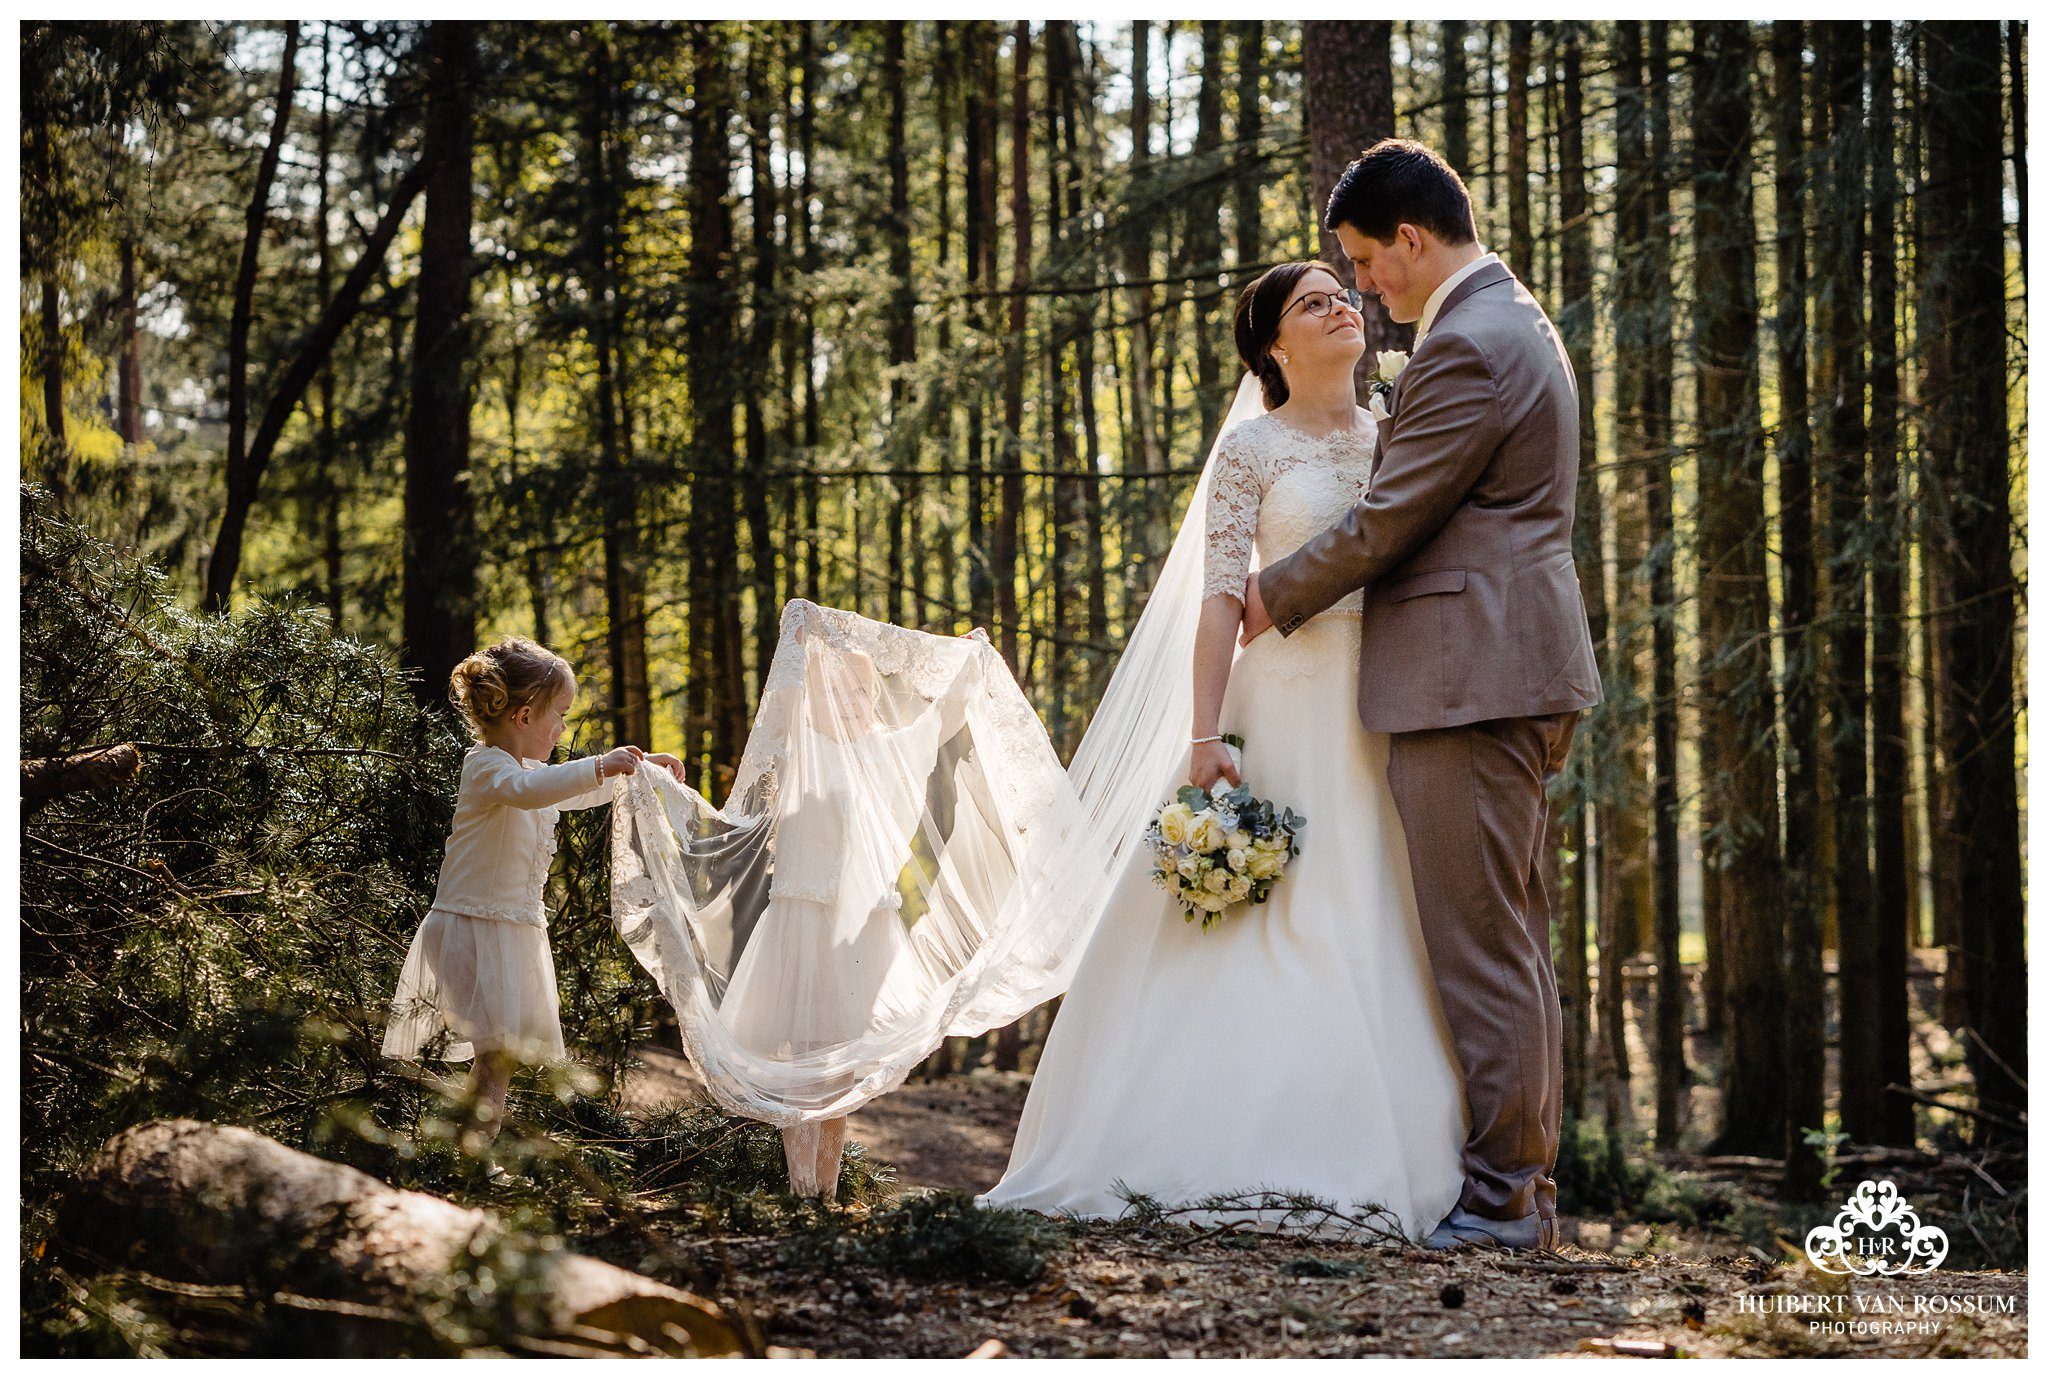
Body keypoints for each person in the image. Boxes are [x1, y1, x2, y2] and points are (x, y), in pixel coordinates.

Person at [979, 258, 1468, 1242]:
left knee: (1378, 914)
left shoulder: (1399, 434)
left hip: (1388, 708)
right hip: (1282, 706)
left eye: (1343, 293)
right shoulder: (1249, 451)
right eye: (1312, 302)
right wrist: (1203, 734)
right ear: (1274, 346)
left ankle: (1390, 1146)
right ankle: (1217, 1142)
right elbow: (1216, 601)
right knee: (1272, 915)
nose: (1341, 307)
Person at [1241, 139, 1601, 1251]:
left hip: (1468, 677)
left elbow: (1388, 517)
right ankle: (1519, 1191)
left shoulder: (1469, 343)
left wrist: (1268, 594)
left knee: (1480, 945)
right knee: (1507, 936)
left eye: (1362, 261)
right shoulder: (1507, 319)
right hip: (1500, 665)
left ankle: (1501, 1199)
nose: (1362, 287)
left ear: (1408, 237)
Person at [383, 636, 683, 1172]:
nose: (563, 728)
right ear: (524, 715)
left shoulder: (529, 774)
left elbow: (566, 790)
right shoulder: (488, 768)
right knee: (495, 1055)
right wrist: (599, 764)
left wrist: (638, 770)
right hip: (473, 928)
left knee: (499, 1058)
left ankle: (467, 1154)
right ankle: (463, 1156)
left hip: (511, 931)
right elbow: (530, 790)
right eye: (560, 715)